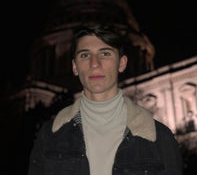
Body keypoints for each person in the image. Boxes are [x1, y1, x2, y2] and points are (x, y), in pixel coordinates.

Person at [28, 24, 183, 175]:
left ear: (122, 63)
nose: (95, 64)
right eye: (85, 55)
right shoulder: (48, 137)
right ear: (75, 66)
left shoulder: (160, 138)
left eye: (105, 53)